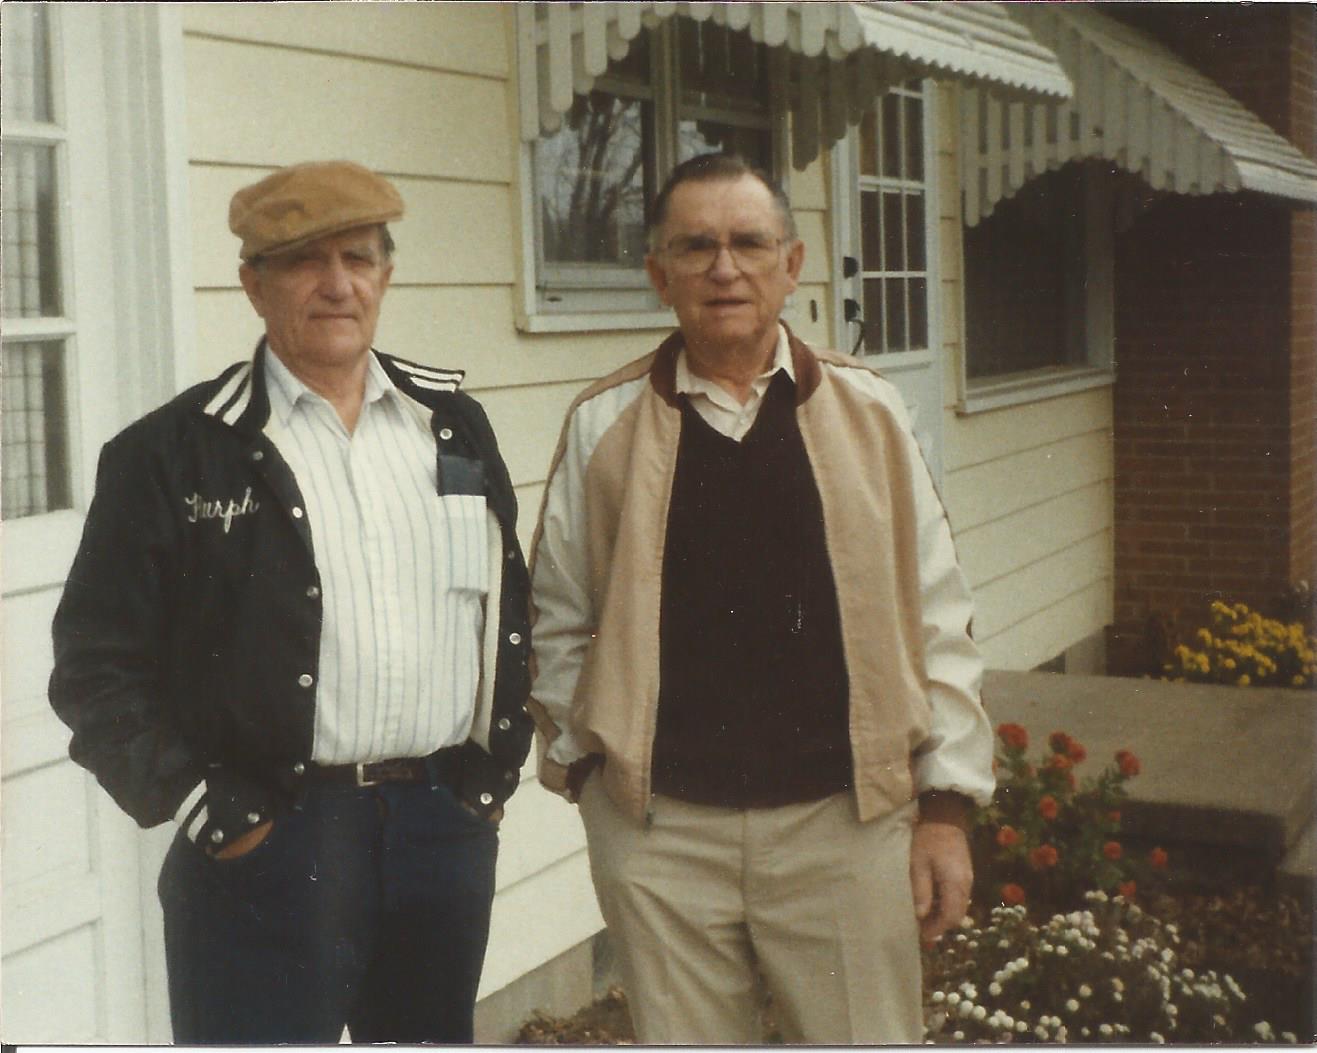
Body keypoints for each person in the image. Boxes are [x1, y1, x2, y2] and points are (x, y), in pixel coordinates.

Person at [48, 160, 533, 1044]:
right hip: (267, 839)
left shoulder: (452, 426)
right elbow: (94, 667)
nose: (338, 284)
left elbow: (504, 610)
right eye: (306, 260)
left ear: (387, 273)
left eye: (359, 256)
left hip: (438, 826)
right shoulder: (172, 452)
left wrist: (487, 784)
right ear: (253, 284)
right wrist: (209, 809)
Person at [527, 153, 994, 1044]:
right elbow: (557, 620)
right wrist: (590, 776)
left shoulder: (869, 413)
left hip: (845, 826)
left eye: (748, 243)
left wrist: (944, 808)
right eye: (694, 247)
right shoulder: (602, 425)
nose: (724, 268)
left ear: (792, 264)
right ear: (658, 274)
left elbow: (937, 614)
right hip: (663, 838)